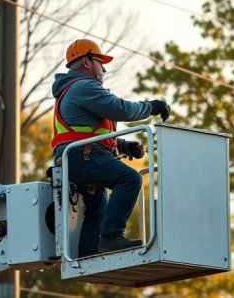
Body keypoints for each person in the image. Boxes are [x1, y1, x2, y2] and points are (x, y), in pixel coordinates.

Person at [51, 39, 170, 257]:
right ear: (87, 62)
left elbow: (89, 133)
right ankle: (111, 237)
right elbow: (121, 109)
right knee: (130, 179)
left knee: (97, 210)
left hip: (78, 156)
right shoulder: (84, 87)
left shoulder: (73, 90)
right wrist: (151, 106)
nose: (103, 68)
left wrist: (123, 146)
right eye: (100, 62)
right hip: (81, 156)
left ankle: (88, 254)